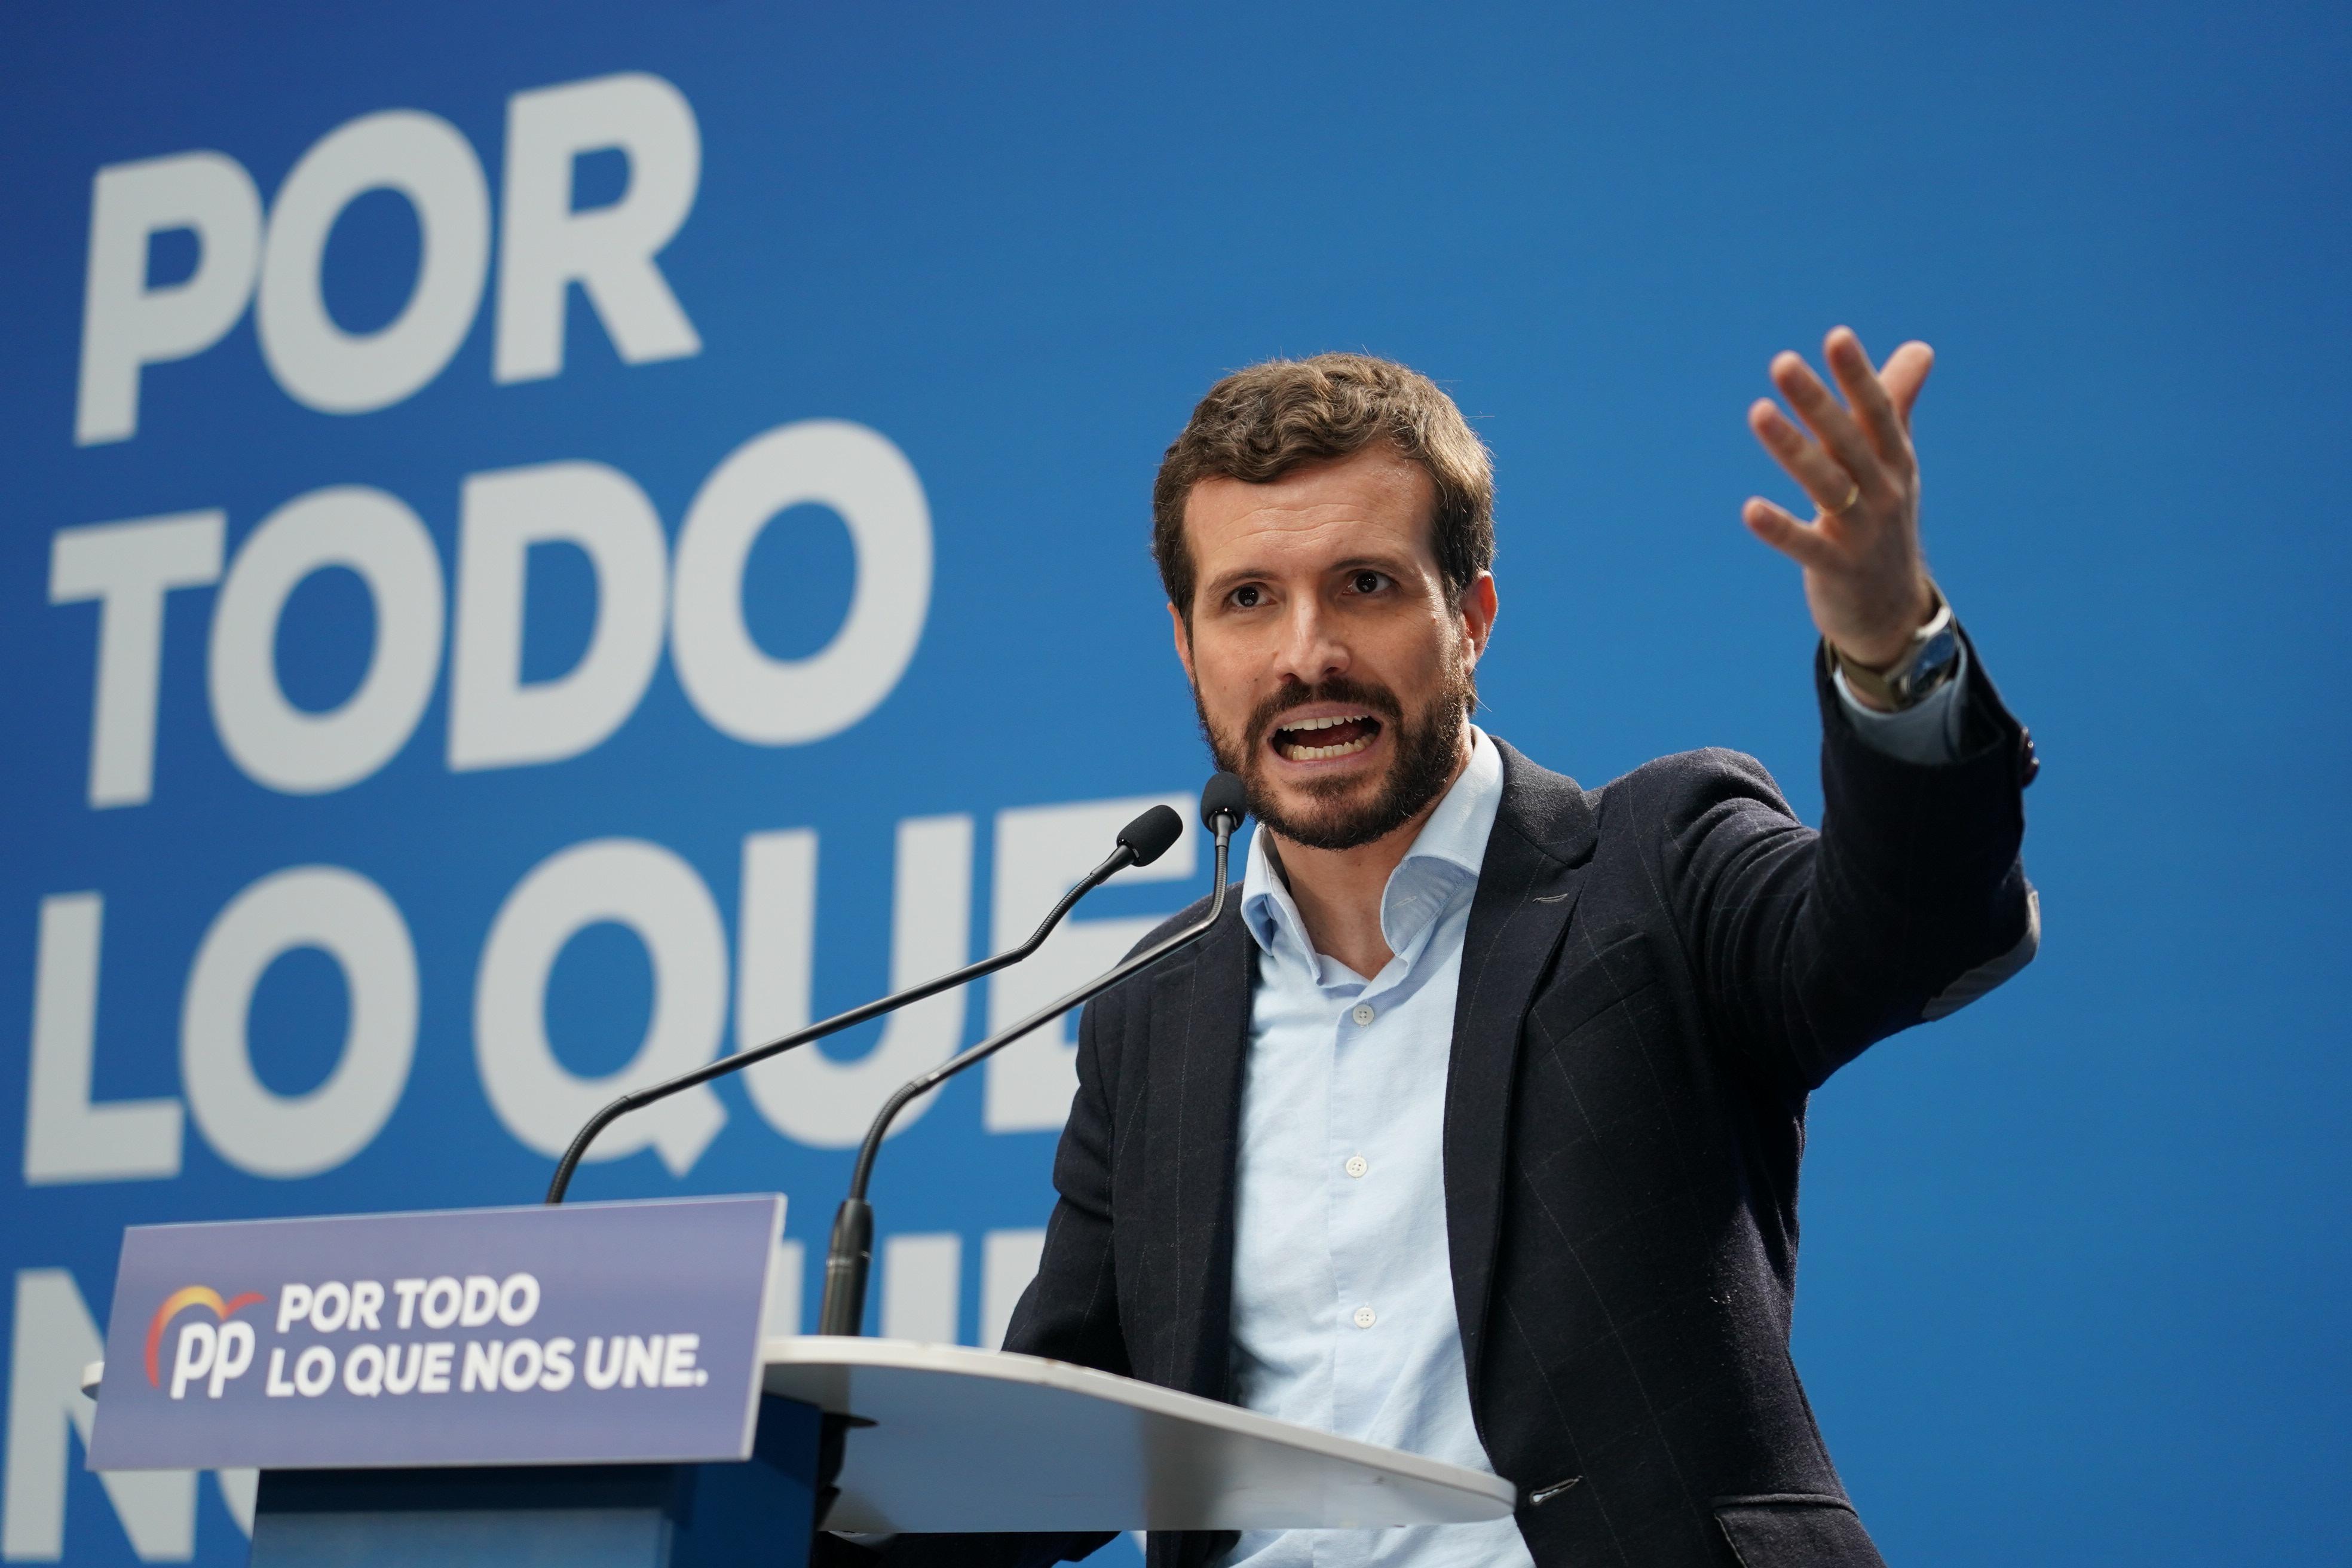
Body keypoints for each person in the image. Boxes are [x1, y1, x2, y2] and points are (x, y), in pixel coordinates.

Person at [894, 332, 2038, 1568]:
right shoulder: (1151, 1005)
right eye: (1248, 599)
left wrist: (1890, 649)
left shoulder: (1655, 861)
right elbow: (1047, 1449)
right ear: (1187, 644)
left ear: (1472, 616)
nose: (1305, 653)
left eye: (1367, 586)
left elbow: (1909, 929)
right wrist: (744, 1485)